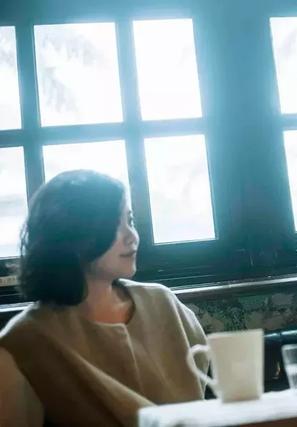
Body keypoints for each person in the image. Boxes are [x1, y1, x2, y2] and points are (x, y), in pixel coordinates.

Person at [0, 170, 209, 426]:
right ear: (70, 236)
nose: (132, 236)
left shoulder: (162, 302)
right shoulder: (26, 340)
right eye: (113, 225)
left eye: (129, 221)